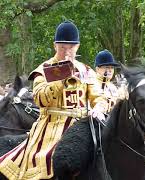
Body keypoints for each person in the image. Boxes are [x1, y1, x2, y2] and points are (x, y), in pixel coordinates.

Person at [0, 21, 108, 179]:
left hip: (81, 125)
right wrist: (63, 80)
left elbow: (99, 96)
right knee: (46, 159)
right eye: (62, 47)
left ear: (77, 46)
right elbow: (40, 98)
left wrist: (99, 108)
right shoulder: (43, 69)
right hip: (51, 126)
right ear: (55, 46)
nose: (67, 51)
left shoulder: (86, 70)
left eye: (71, 47)